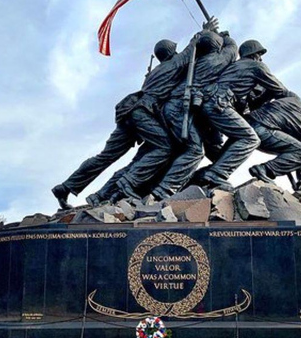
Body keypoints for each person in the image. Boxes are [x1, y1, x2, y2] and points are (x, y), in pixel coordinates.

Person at [51, 19, 218, 208]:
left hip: (129, 112)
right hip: (142, 112)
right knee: (164, 148)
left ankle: (66, 187)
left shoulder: (156, 71)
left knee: (105, 156)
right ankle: (127, 184)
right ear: (171, 52)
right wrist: (206, 31)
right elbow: (192, 50)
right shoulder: (172, 65)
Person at [190, 39, 293, 191]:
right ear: (254, 54)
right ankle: (215, 174)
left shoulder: (236, 66)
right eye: (259, 54)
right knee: (250, 138)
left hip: (211, 102)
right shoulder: (256, 66)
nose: (261, 58)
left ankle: (202, 175)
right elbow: (281, 91)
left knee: (226, 147)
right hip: (219, 104)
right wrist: (294, 100)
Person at [149, 29, 238, 199]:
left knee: (209, 148)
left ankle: (204, 179)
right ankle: (164, 190)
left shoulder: (191, 63)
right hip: (179, 109)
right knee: (195, 150)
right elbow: (232, 50)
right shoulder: (214, 61)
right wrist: (226, 37)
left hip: (177, 109)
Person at [246, 96, 301, 195]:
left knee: (294, 150)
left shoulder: (295, 102)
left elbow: (291, 153)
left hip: (246, 122)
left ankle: (266, 170)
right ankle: (263, 169)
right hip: (263, 131)